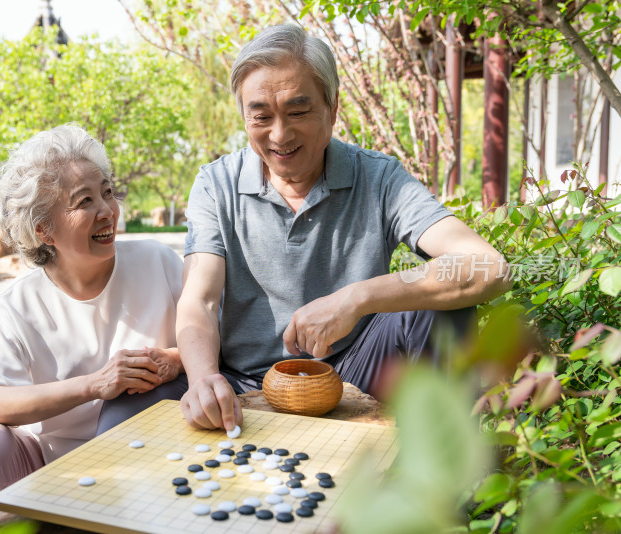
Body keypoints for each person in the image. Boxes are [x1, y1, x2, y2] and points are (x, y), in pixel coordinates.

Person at [174, 24, 511, 431]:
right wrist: (202, 378)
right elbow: (201, 301)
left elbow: (488, 267)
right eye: (261, 115)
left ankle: (443, 472)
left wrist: (356, 298)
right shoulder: (215, 184)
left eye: (298, 111)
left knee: (438, 307)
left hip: (358, 368)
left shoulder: (380, 177)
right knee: (135, 397)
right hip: (245, 380)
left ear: (332, 110)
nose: (280, 135)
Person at [0, 124, 184, 511]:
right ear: (43, 231)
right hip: (55, 467)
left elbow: (219, 340)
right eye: (85, 201)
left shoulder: (159, 261)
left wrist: (175, 358)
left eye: (107, 191)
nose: (108, 211)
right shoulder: (20, 304)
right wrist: (93, 385)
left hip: (156, 456)